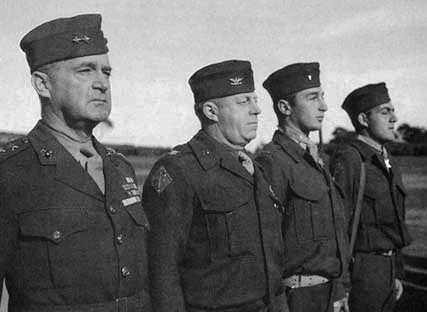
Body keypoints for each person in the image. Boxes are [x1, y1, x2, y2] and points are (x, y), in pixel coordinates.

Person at [0, 14, 151, 311]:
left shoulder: (120, 168)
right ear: (43, 84)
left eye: (106, 72)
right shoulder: (10, 173)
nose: (102, 84)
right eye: (85, 71)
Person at [142, 60, 288, 312]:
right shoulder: (180, 171)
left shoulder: (256, 171)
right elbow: (162, 272)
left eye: (255, 100)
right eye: (243, 101)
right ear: (211, 111)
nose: (256, 110)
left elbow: (272, 266)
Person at [255, 62, 350, 312]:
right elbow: (266, 247)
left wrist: (338, 290)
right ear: (285, 107)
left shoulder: (317, 159)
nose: (324, 106)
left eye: (322, 96)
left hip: (327, 293)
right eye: (312, 97)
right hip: (296, 297)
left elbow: (334, 235)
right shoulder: (273, 161)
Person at [330, 82, 411, 312]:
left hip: (388, 268)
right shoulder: (350, 159)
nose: (394, 118)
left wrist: (397, 272)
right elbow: (339, 226)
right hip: (362, 272)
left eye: (393, 111)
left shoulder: (388, 160)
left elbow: (394, 223)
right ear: (364, 120)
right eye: (385, 112)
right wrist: (341, 286)